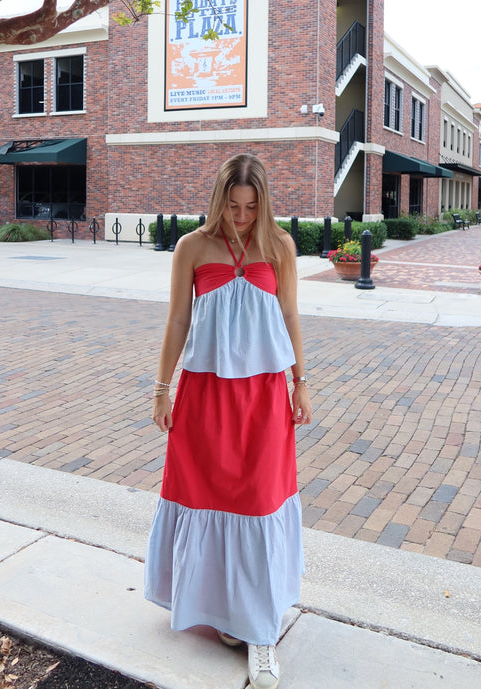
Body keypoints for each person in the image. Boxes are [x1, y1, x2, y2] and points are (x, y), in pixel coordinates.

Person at [144, 153, 312, 689]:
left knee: (260, 500)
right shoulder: (191, 247)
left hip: (263, 397)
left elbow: (288, 316)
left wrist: (300, 382)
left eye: (251, 206)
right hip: (203, 395)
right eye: (233, 205)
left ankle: (261, 630)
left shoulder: (280, 246)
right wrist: (162, 388)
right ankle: (220, 611)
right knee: (207, 496)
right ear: (219, 198)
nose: (241, 216)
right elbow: (177, 318)